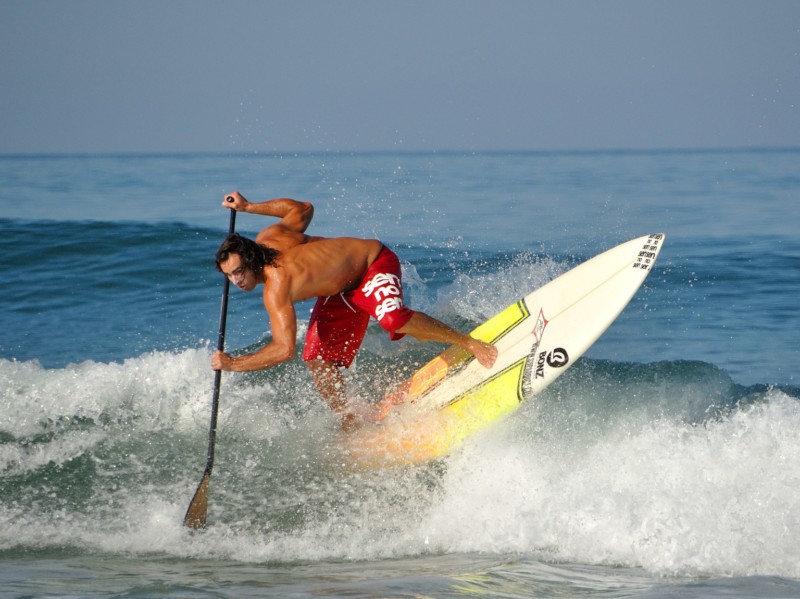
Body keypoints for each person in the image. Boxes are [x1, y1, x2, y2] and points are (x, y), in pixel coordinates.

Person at [211, 192, 498, 429]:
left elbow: (284, 349)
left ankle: (468, 342)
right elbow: (302, 209)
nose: (236, 281)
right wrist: (248, 207)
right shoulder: (270, 236)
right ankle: (350, 421)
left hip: (372, 264)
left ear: (250, 259)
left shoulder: (276, 286)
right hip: (340, 292)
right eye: (229, 276)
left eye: (238, 272)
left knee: (394, 320)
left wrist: (234, 364)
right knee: (317, 360)